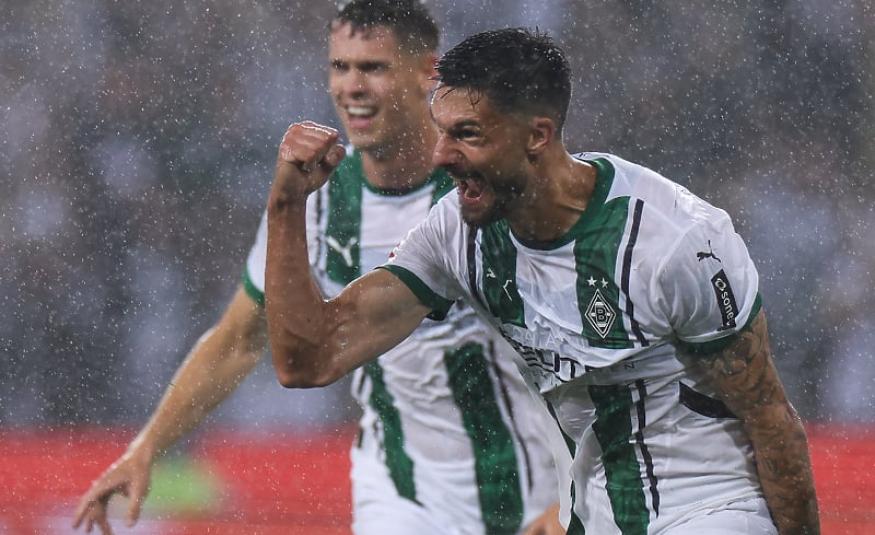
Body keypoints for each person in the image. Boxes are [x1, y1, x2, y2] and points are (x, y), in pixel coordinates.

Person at [263, 28, 821, 534]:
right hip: (592, 519)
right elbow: (309, 359)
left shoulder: (674, 242)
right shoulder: (456, 234)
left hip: (711, 509)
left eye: (466, 134)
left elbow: (770, 419)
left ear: (537, 135)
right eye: (440, 133)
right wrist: (287, 204)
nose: (441, 157)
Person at [74, 6, 563, 535]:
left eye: (373, 67)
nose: (352, 87)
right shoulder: (316, 201)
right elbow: (239, 339)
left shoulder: (490, 190)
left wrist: (573, 497)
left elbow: (588, 339)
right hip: (404, 501)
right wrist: (147, 447)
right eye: (340, 67)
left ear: (427, 72)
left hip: (540, 497)